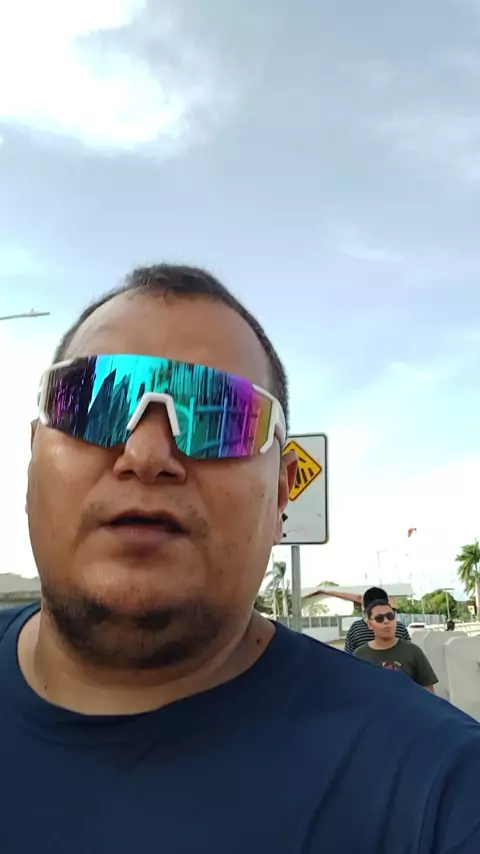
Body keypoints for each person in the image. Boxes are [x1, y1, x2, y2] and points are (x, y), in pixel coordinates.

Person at [2, 264, 480, 854]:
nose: (146, 454)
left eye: (218, 416)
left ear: (281, 494)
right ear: (34, 458)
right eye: (93, 401)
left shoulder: (439, 790)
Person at [353, 599, 438, 691]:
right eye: (379, 618)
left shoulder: (413, 651)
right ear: (370, 624)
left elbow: (428, 690)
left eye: (390, 616)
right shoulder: (360, 655)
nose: (386, 621)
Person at [344, 585, 411, 653]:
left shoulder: (355, 629)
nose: (385, 621)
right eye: (379, 618)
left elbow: (348, 656)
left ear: (364, 605)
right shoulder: (401, 628)